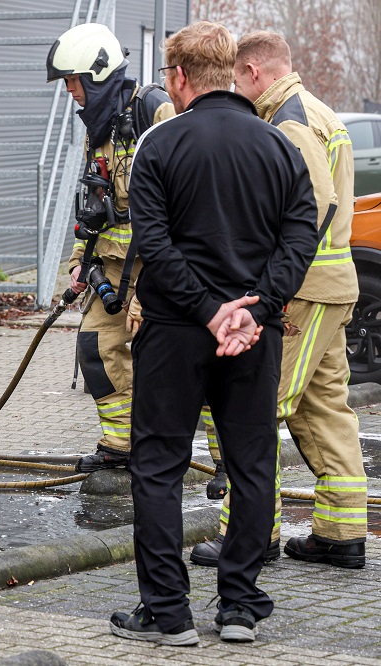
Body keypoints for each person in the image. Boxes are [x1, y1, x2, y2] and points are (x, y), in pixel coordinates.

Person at [110, 21, 319, 646]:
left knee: (158, 468)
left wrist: (207, 311)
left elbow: (153, 242)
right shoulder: (278, 146)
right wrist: (253, 311)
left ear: (178, 78)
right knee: (253, 465)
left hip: (176, 331)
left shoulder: (160, 145)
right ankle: (239, 608)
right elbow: (301, 233)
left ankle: (169, 615)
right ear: (230, 72)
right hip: (255, 335)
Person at [190, 31, 367, 570]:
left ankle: (249, 536)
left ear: (253, 72)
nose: (235, 93)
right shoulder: (317, 111)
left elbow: (310, 210)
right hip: (329, 287)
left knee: (254, 409)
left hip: (304, 291)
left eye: (237, 80)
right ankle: (340, 533)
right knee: (323, 409)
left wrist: (268, 288)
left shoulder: (288, 121)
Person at [46, 23, 177, 473]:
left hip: (159, 270)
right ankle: (122, 445)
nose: (70, 93)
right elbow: (94, 205)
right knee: (95, 347)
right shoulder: (98, 129)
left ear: (97, 75)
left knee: (173, 365)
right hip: (114, 271)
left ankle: (214, 464)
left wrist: (155, 283)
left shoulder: (154, 111)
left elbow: (182, 204)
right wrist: (80, 262)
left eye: (73, 81)